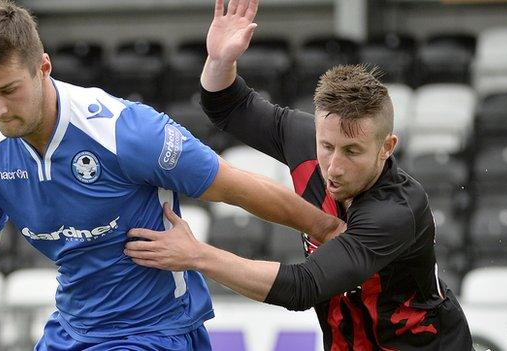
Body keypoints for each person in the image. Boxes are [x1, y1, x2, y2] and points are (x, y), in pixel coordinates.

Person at [0, 1, 344, 350]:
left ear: (44, 68)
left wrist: (332, 229)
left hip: (156, 332)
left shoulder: (124, 132)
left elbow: (237, 187)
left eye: (8, 90)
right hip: (73, 329)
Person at [125, 0, 474, 349]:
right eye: (327, 146)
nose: (334, 166)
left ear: (387, 146)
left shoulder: (397, 211)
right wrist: (221, 61)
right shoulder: (306, 139)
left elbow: (302, 286)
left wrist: (196, 255)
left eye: (353, 151)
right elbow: (227, 106)